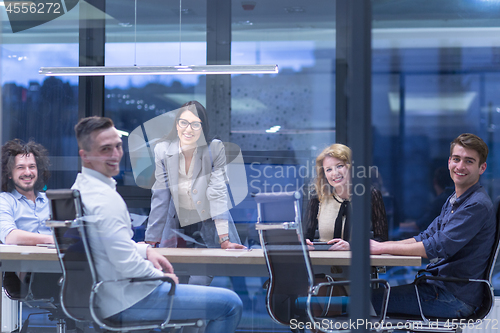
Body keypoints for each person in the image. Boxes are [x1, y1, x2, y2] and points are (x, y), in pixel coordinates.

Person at [71, 116, 242, 332]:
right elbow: (126, 264)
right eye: (105, 149)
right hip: (128, 299)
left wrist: (143, 249)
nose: (115, 155)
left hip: (107, 296)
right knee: (230, 304)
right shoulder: (106, 199)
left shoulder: (80, 190)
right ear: (85, 156)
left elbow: (103, 243)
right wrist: (161, 277)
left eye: (118, 146)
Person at [371, 133, 495, 319]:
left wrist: (380, 248)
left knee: (364, 300)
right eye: (456, 159)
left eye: (469, 161)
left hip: (453, 298)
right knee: (366, 297)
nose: (460, 166)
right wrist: (378, 248)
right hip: (440, 289)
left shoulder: (476, 205)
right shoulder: (455, 199)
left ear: (482, 168)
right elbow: (425, 236)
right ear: (449, 163)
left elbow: (436, 247)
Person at [144, 101, 244, 284]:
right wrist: (151, 240)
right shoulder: (163, 150)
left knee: (199, 285)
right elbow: (161, 196)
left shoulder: (214, 149)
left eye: (195, 124)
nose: (188, 129)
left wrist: (224, 238)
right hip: (175, 229)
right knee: (174, 286)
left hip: (206, 228)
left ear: (202, 127)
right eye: (184, 122)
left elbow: (218, 193)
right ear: (177, 124)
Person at [304, 143, 388, 250]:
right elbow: (306, 236)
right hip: (324, 263)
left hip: (359, 264)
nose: (334, 173)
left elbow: (382, 240)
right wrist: (305, 242)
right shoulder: (317, 196)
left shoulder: (371, 195)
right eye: (328, 169)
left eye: (340, 166)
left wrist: (352, 246)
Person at [0, 139, 53, 245]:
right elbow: (10, 237)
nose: (28, 172)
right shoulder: (4, 201)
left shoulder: (51, 200)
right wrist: (52, 240)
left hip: (55, 260)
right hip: (21, 261)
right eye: (20, 167)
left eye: (32, 167)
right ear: (9, 174)